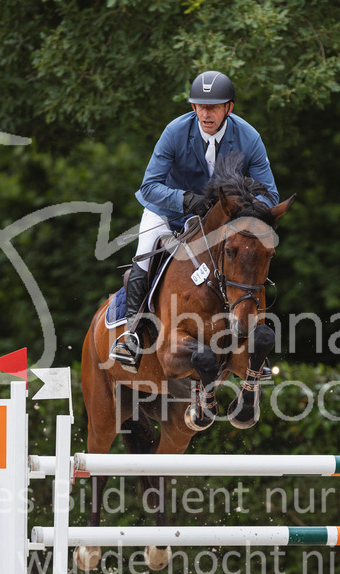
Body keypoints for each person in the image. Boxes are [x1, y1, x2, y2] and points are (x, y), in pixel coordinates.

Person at [109, 70, 279, 368]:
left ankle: (253, 344)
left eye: (214, 106)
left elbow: (271, 197)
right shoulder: (175, 132)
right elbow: (149, 187)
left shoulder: (249, 137)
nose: (206, 112)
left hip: (223, 220)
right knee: (142, 259)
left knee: (250, 257)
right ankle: (131, 336)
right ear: (193, 108)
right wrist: (186, 200)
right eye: (201, 106)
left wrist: (244, 212)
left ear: (229, 108)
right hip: (169, 212)